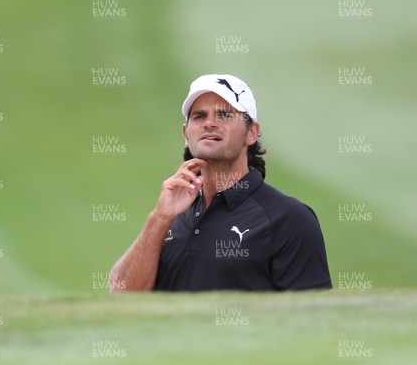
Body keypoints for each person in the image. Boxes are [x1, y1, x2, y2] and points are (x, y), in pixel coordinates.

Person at [109, 74, 332, 292]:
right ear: (186, 134)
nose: (209, 123)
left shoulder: (289, 218)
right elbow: (123, 298)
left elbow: (312, 318)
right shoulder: (170, 214)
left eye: (224, 115)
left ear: (251, 132)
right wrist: (159, 218)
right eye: (199, 116)